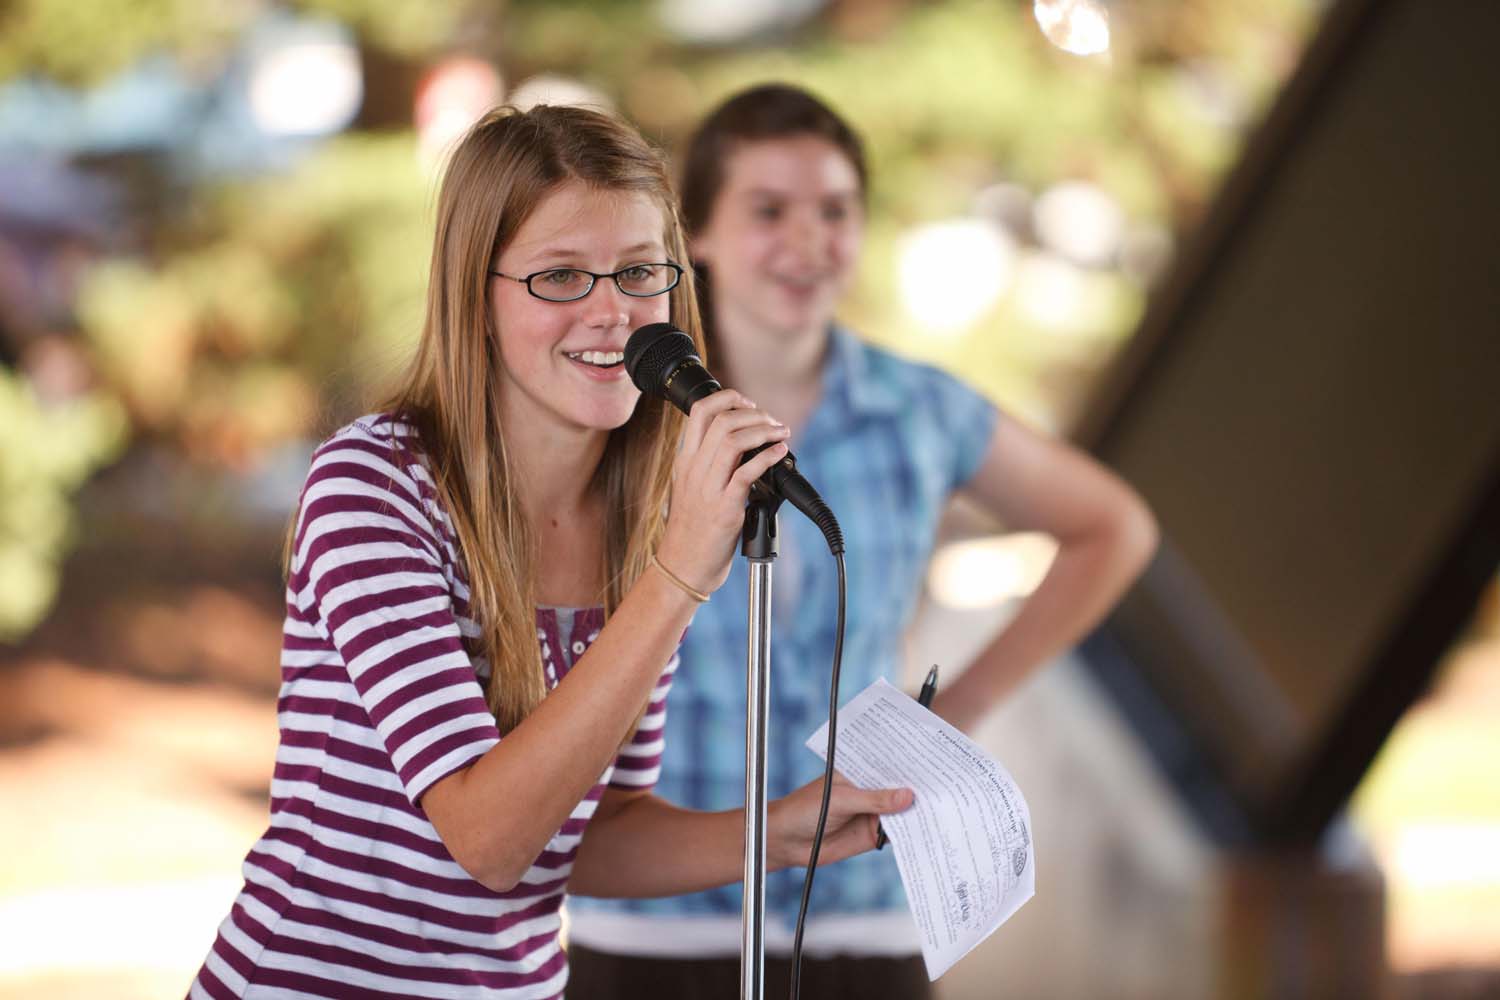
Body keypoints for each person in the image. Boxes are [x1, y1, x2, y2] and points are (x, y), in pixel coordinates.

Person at [186, 103, 915, 1000]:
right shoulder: (372, 486)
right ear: (477, 298)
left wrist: (775, 833)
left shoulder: (641, 521)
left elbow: (587, 831)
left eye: (639, 272)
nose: (615, 315)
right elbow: (489, 841)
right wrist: (679, 577)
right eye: (562, 276)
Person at [565, 84, 1159, 999]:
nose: (808, 242)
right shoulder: (623, 413)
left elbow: (1113, 528)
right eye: (770, 211)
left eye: (835, 211)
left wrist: (959, 711)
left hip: (865, 910)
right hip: (654, 924)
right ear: (700, 236)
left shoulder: (919, 408)